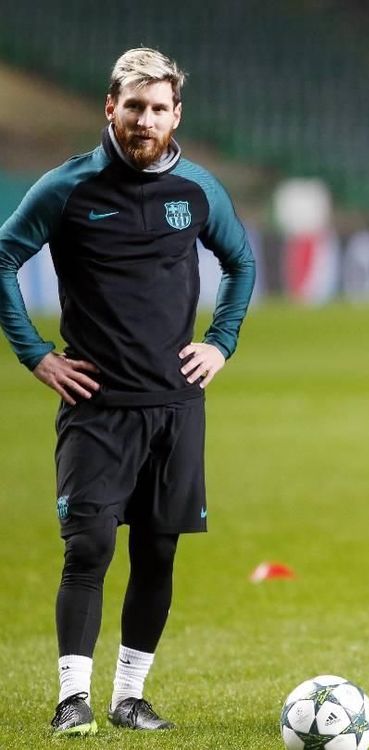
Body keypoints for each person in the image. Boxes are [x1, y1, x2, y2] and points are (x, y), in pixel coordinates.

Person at [0, 48, 255, 736]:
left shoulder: (199, 190)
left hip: (176, 406)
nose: (146, 120)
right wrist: (35, 355)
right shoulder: (66, 188)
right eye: (134, 106)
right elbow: (3, 257)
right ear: (110, 108)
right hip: (97, 407)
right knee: (87, 547)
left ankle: (129, 697)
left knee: (159, 551)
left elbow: (240, 259)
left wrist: (221, 340)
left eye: (159, 108)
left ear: (177, 115)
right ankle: (71, 699)